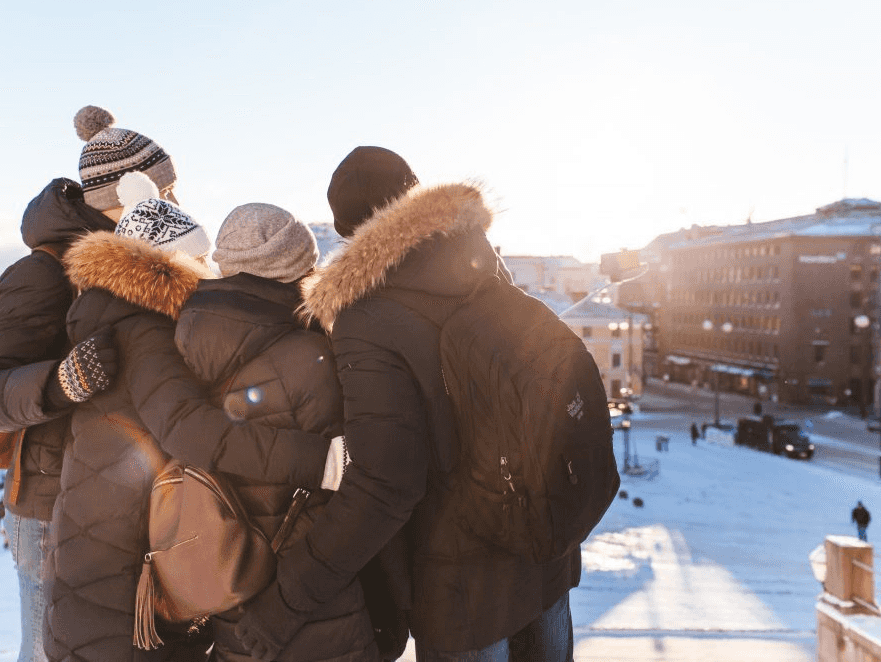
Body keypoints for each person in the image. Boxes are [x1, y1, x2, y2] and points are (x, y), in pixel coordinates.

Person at [234, 146, 575, 662]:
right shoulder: (483, 266)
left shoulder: (368, 317)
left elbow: (384, 483)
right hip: (544, 551)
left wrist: (286, 600)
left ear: (349, 232)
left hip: (463, 589)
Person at [44, 174, 348, 661]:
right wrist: (322, 461)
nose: (210, 272)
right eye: (200, 260)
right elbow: (190, 430)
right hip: (126, 580)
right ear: (171, 265)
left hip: (99, 554)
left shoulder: (115, 317)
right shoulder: (146, 330)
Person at [0, 105, 177, 662]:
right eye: (166, 188)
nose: (175, 200)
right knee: (49, 651)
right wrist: (59, 383)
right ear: (126, 194)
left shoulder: (145, 259)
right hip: (49, 510)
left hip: (117, 498)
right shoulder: (45, 274)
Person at [172, 201, 377, 661]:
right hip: (314, 603)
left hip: (230, 581)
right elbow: (356, 492)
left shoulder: (182, 337)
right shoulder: (313, 357)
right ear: (298, 269)